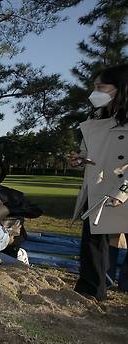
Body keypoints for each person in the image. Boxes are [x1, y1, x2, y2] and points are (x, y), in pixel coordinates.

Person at [70, 64, 128, 300]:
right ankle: (90, 290)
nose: (95, 92)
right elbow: (94, 153)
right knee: (93, 240)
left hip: (121, 188)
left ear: (120, 89)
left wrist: (122, 191)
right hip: (99, 187)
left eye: (101, 87)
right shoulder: (97, 116)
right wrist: (82, 159)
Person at [0, 160, 42, 264]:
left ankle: (19, 255)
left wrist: (6, 210)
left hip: (10, 238)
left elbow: (36, 210)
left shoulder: (11, 196)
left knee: (7, 262)